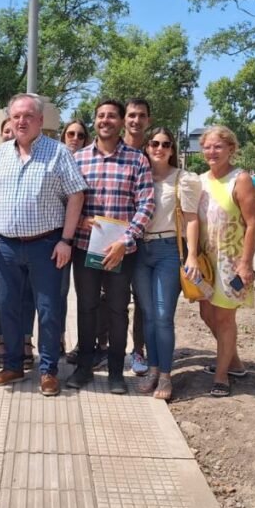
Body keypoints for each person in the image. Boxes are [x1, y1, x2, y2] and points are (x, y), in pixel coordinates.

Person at [0, 93, 87, 397]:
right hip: (6, 246)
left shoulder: (58, 152)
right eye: (16, 116)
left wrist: (66, 240)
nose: (21, 121)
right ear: (9, 120)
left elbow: (76, 195)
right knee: (8, 306)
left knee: (49, 310)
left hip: (47, 245)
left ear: (40, 120)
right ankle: (13, 365)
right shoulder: (0, 154)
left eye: (28, 116)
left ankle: (48, 370)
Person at [65, 99, 154, 395]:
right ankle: (84, 368)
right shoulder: (78, 159)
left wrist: (125, 241)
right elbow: (65, 199)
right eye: (101, 115)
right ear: (95, 120)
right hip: (85, 247)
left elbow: (146, 205)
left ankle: (116, 372)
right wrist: (80, 221)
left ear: (120, 121)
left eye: (112, 116)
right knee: (87, 307)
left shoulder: (137, 160)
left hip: (121, 251)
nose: (105, 120)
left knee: (117, 310)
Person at [132, 128, 201, 400]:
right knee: (148, 314)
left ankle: (165, 375)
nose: (159, 148)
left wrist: (192, 255)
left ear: (172, 149)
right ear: (146, 147)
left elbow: (192, 219)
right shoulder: (140, 175)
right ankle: (152, 369)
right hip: (140, 250)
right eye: (154, 143)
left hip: (168, 250)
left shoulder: (183, 179)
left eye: (165, 144)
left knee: (163, 316)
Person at [197, 125, 255, 397]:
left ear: (231, 149)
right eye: (207, 147)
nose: (212, 152)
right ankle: (233, 362)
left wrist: (246, 263)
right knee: (206, 313)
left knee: (224, 318)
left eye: (218, 146)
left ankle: (221, 376)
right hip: (205, 263)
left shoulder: (240, 179)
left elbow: (253, 223)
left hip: (230, 262)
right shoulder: (200, 181)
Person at [0, 117, 37, 369]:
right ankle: (4, 343)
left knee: (27, 294)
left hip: (31, 240)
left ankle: (26, 341)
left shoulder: (33, 157)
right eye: (6, 131)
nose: (11, 134)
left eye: (14, 131)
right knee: (3, 295)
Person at [121, 98, 153, 375]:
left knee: (142, 299)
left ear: (148, 120)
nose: (136, 120)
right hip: (112, 239)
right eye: (131, 115)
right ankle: (102, 346)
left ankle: (139, 350)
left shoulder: (154, 151)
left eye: (141, 115)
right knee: (108, 297)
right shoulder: (113, 150)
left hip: (146, 239)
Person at [58, 121, 90, 362]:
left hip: (87, 240)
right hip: (58, 238)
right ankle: (57, 339)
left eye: (80, 135)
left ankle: (86, 344)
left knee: (87, 296)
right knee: (58, 293)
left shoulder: (89, 163)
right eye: (70, 133)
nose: (75, 138)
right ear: (63, 136)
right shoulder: (55, 161)